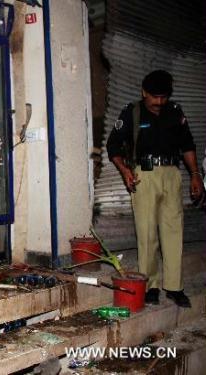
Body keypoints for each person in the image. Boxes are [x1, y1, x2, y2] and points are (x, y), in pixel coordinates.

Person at [106, 70, 205, 308]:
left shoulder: (175, 112)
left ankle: (174, 287)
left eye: (163, 97)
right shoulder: (133, 112)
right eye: (154, 97)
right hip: (145, 176)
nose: (159, 102)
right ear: (144, 92)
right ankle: (149, 286)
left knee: (174, 231)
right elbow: (113, 145)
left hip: (171, 175)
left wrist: (195, 175)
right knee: (147, 233)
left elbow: (187, 145)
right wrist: (125, 170)